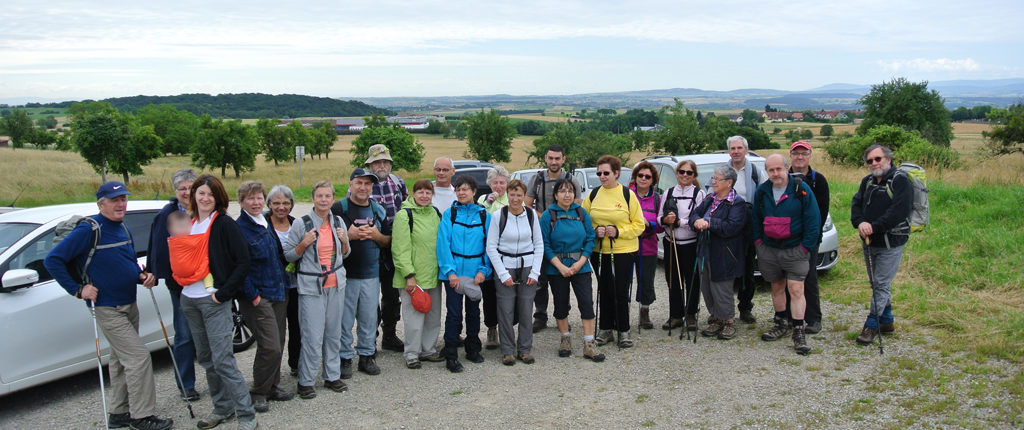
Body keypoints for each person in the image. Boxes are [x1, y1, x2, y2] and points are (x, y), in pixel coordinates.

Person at [45, 182, 172, 430]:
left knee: (120, 359)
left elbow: (127, 262)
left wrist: (140, 276)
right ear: (100, 204)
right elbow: (53, 260)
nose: (121, 204)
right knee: (138, 357)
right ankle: (141, 417)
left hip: (128, 303)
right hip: (106, 307)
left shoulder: (123, 228)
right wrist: (78, 289)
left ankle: (119, 413)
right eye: (114, 200)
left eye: (123, 199)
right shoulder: (89, 230)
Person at [177, 174, 258, 430]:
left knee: (223, 359)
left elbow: (243, 261)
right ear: (194, 196)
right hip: (189, 299)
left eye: (210, 194)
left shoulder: (223, 224)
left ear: (218, 198)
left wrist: (224, 294)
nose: (205, 198)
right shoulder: (188, 222)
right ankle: (222, 408)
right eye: (201, 193)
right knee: (206, 358)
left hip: (213, 301)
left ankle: (247, 415)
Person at [282, 180, 351, 399]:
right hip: (311, 287)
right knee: (312, 336)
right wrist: (303, 244)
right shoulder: (301, 224)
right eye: (319, 196)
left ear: (333, 199)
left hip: (336, 285)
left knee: (333, 333)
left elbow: (345, 254)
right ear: (313, 198)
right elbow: (288, 255)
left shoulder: (338, 221)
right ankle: (306, 381)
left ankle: (332, 376)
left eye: (327, 196)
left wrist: (344, 241)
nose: (323, 200)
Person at [752, 155, 820, 355]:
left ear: (786, 168)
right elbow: (755, 219)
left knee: (796, 289)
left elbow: (813, 221)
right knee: (776, 287)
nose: (775, 174)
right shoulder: (762, 191)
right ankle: (781, 322)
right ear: (767, 172)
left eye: (779, 169)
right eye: (771, 170)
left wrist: (805, 248)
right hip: (769, 249)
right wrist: (759, 244)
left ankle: (798, 330)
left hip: (795, 249)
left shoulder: (801, 190)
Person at [235, 181, 294, 412]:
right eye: (250, 198)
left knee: (278, 341)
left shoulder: (264, 222)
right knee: (270, 346)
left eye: (259, 197)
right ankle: (259, 391)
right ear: (241, 202)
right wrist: (253, 296)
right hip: (258, 296)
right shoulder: (240, 228)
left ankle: (272, 386)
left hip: (278, 291)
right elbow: (239, 266)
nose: (256, 202)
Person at [144, 168, 200, 402]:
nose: (187, 192)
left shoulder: (205, 210)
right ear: (175, 191)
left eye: (190, 188)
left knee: (208, 336)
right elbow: (157, 247)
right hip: (181, 286)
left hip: (206, 283)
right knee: (185, 335)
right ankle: (186, 384)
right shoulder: (167, 215)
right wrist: (155, 273)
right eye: (182, 189)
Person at [850, 144, 912, 345]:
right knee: (878, 283)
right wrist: (860, 223)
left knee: (880, 284)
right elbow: (856, 205)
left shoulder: (901, 181)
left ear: (889, 159)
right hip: (870, 241)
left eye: (878, 159)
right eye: (870, 161)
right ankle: (886, 320)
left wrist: (873, 227)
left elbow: (898, 212)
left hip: (892, 241)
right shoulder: (867, 181)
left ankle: (871, 325)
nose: (874, 163)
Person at [582, 155, 645, 348]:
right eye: (599, 173)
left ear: (616, 173)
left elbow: (639, 225)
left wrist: (618, 231)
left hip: (623, 251)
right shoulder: (593, 195)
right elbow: (583, 222)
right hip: (600, 251)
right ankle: (605, 329)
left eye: (606, 173)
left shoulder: (627, 195)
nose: (602, 176)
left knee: (620, 290)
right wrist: (595, 232)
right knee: (605, 289)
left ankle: (624, 331)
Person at [333, 168, 391, 377]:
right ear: (350, 184)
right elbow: (324, 239)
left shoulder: (378, 210)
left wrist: (376, 236)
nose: (363, 187)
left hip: (371, 274)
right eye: (359, 182)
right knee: (344, 320)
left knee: (369, 319)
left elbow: (388, 241)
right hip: (345, 275)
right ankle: (344, 359)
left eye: (367, 184)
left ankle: (367, 357)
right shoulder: (338, 208)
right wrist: (348, 236)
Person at [540, 177, 604, 361]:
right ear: (555, 195)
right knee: (561, 304)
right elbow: (544, 243)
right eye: (562, 191)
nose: (566, 194)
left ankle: (589, 343)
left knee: (586, 302)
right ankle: (565, 338)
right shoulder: (548, 215)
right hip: (557, 268)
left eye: (570, 191)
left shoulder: (581, 212)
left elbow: (590, 238)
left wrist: (580, 262)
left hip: (581, 266)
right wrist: (559, 266)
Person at [436, 175, 492, 373]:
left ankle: (473, 348)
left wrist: (483, 271)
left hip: (475, 273)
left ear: (474, 192)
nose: (461, 192)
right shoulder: (449, 214)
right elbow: (443, 245)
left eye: (466, 189)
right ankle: (451, 354)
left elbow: (489, 246)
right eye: (458, 189)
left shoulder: (485, 215)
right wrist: (450, 272)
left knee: (474, 312)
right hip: (455, 274)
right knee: (453, 314)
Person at [525, 145, 583, 333]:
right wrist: (543, 216)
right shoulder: (538, 179)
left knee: (562, 278)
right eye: (551, 158)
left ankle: (562, 315)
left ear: (563, 160)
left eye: (557, 158)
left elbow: (577, 206)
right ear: (545, 158)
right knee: (540, 279)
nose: (554, 162)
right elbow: (527, 204)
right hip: (540, 236)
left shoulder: (571, 180)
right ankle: (540, 316)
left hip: (564, 237)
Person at [485, 179, 544, 365]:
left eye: (519, 195)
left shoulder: (531, 215)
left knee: (526, 310)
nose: (516, 199)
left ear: (524, 196)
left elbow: (539, 244)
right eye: (512, 195)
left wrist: (535, 272)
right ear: (507, 195)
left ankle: (525, 349)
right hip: (506, 266)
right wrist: (502, 274)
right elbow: (491, 247)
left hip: (527, 266)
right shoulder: (498, 216)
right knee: (505, 311)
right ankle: (508, 350)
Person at [689, 166, 748, 341]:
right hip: (704, 250)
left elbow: (733, 226)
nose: (713, 182)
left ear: (729, 183)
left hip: (724, 252)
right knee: (706, 286)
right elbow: (694, 214)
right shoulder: (710, 198)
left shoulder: (736, 203)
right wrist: (697, 221)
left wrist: (709, 223)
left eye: (717, 179)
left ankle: (728, 321)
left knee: (721, 287)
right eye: (713, 178)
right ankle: (715, 318)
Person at [392, 179, 445, 369]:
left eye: (428, 192)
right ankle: (412, 353)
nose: (424, 196)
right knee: (414, 319)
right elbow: (400, 249)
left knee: (433, 316)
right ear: (412, 194)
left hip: (433, 275)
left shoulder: (436, 213)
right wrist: (409, 275)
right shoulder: (404, 215)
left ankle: (428, 349)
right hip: (413, 279)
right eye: (420, 192)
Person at [363, 144, 408, 352]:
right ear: (370, 165)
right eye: (377, 162)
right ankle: (369, 341)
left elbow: (407, 211)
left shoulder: (398, 183)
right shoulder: (362, 184)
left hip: (393, 249)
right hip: (369, 250)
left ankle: (389, 335)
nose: (381, 165)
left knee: (392, 296)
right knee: (370, 298)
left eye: (385, 161)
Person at [786, 141, 830, 334]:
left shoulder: (818, 180)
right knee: (787, 277)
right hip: (785, 238)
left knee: (809, 276)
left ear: (810, 155)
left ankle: (813, 318)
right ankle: (789, 317)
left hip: (809, 239)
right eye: (796, 154)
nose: (800, 157)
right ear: (791, 155)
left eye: (804, 154)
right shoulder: (781, 177)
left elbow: (821, 212)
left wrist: (810, 237)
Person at [659, 160, 706, 332]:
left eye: (689, 173)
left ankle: (691, 314)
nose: (685, 175)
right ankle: (676, 315)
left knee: (692, 280)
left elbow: (700, 218)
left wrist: (680, 222)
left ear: (694, 176)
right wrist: (666, 220)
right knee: (673, 280)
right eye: (681, 172)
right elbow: (659, 218)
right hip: (671, 242)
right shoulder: (669, 192)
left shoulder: (699, 194)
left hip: (690, 244)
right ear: (677, 173)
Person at [727, 135, 764, 324]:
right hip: (728, 224)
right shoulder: (723, 172)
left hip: (749, 223)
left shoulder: (755, 172)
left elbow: (764, 198)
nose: (736, 151)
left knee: (748, 267)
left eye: (739, 148)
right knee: (727, 267)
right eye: (733, 148)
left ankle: (745, 307)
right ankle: (725, 310)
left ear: (746, 150)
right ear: (729, 152)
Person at [266, 185, 301, 377]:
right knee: (275, 334)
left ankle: (296, 364)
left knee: (297, 328)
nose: (281, 207)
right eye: (276, 203)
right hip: (275, 286)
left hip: (296, 285)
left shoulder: (296, 224)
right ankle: (273, 373)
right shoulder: (263, 224)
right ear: (269, 204)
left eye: (286, 203)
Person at [629, 161, 664, 330]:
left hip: (648, 246)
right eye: (640, 175)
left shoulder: (658, 199)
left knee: (646, 281)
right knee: (624, 280)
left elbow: (661, 225)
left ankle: (644, 312)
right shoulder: (626, 195)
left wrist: (648, 224)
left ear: (653, 180)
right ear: (635, 177)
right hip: (627, 245)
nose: (643, 178)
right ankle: (622, 311)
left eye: (647, 176)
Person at [478, 166, 511, 350]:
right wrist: (488, 203)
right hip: (488, 254)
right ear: (489, 184)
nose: (498, 186)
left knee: (507, 292)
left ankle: (508, 329)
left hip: (507, 253)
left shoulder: (512, 200)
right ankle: (492, 329)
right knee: (489, 293)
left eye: (502, 183)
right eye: (495, 183)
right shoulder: (483, 200)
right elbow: (479, 218)